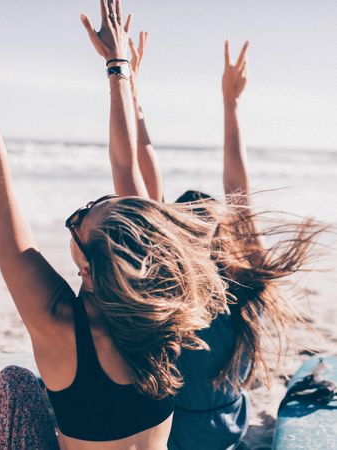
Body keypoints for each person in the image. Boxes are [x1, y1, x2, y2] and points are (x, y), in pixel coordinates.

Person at [0, 1, 231, 449]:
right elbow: (125, 163)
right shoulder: (169, 309)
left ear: (89, 269)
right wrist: (120, 68)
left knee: (15, 386)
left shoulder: (58, 325)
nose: (78, 213)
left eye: (79, 220)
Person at [116, 34, 323, 450]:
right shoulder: (247, 289)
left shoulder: (165, 293)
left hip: (171, 435)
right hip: (228, 431)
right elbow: (239, 198)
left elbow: (142, 192)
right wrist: (231, 104)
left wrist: (132, 95)